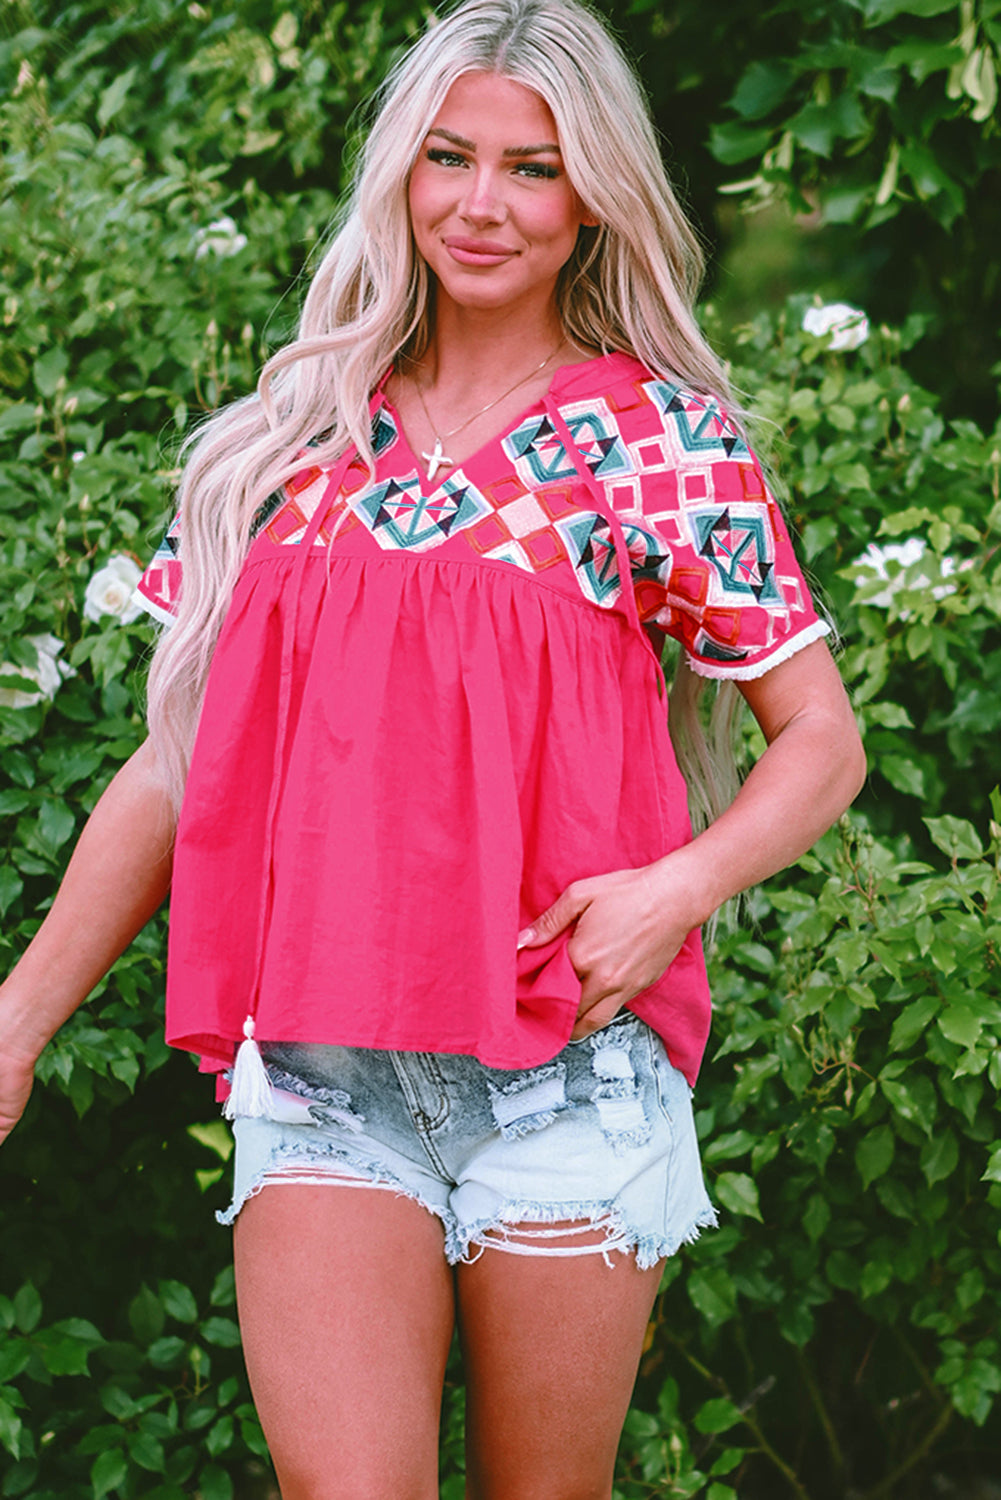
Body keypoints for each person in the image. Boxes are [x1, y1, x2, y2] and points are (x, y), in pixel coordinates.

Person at [0, 0, 866, 1494]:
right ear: (400, 170)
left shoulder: (661, 446)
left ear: (593, 198)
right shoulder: (296, 435)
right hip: (321, 1072)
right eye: (449, 156)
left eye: (533, 168)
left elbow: (823, 745)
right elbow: (179, 762)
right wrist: (18, 1022)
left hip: (567, 1070)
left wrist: (672, 891)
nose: (482, 204)